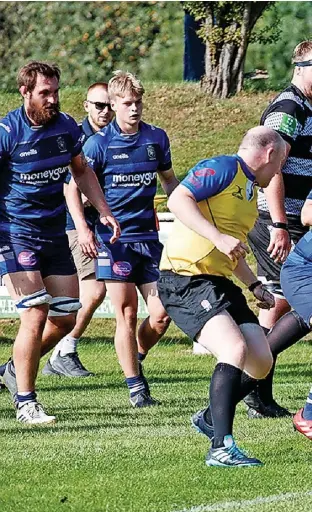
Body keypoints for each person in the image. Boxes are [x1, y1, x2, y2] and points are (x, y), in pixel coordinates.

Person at [157, 126, 286, 467]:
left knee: (260, 360)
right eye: (280, 164)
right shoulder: (223, 167)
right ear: (269, 154)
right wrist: (217, 236)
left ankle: (211, 418)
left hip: (218, 281)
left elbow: (233, 250)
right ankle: (221, 447)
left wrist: (254, 285)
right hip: (185, 278)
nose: (279, 173)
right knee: (234, 349)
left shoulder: (246, 191)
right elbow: (177, 199)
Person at [0, 61, 120, 424]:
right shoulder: (8, 131)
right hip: (15, 231)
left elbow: (81, 170)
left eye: (55, 91)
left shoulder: (66, 127)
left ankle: (11, 370)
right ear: (25, 92)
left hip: (53, 233)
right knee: (35, 311)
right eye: (44, 93)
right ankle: (26, 401)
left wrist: (103, 210)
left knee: (66, 318)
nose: (52, 99)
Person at [67, 70, 179, 407]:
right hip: (114, 240)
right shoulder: (98, 144)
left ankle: (135, 357)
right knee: (127, 313)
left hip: (149, 238)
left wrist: (188, 211)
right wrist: (84, 228)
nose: (135, 108)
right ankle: (136, 388)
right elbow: (72, 188)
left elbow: (170, 181)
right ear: (114, 105)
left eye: (138, 102)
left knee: (162, 312)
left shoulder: (156, 138)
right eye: (127, 103)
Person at [245, 40, 312, 419]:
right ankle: (252, 388)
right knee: (281, 302)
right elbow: (270, 167)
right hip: (278, 221)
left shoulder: (308, 107)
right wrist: (279, 225)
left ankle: (255, 388)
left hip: (292, 220)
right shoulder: (288, 108)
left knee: (286, 304)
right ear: (301, 66)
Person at [42, 82, 114, 377]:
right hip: (74, 224)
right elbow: (67, 183)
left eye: (110, 105)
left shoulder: (114, 137)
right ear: (86, 106)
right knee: (94, 290)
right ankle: (63, 350)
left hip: (102, 224)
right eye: (99, 105)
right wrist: (83, 224)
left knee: (102, 293)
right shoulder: (77, 137)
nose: (105, 112)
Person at [265, 190, 312, 440]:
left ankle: (221, 402)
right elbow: (307, 214)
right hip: (305, 270)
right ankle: (309, 415)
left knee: (264, 351)